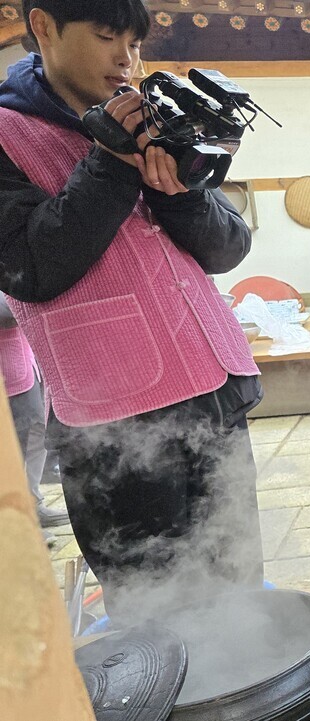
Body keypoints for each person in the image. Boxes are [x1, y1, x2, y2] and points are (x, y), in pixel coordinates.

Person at [0, 0, 264, 622]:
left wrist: (181, 196)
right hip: (115, 426)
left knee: (241, 589)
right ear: (43, 28)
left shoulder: (151, 117)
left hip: (216, 391)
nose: (126, 59)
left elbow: (228, 248)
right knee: (159, 619)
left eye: (134, 43)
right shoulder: (8, 133)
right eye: (105, 36)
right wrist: (111, 161)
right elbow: (30, 268)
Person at [0, 296, 67, 547]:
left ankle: (32, 504)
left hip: (24, 365)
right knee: (10, 452)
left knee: (36, 436)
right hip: (7, 372)